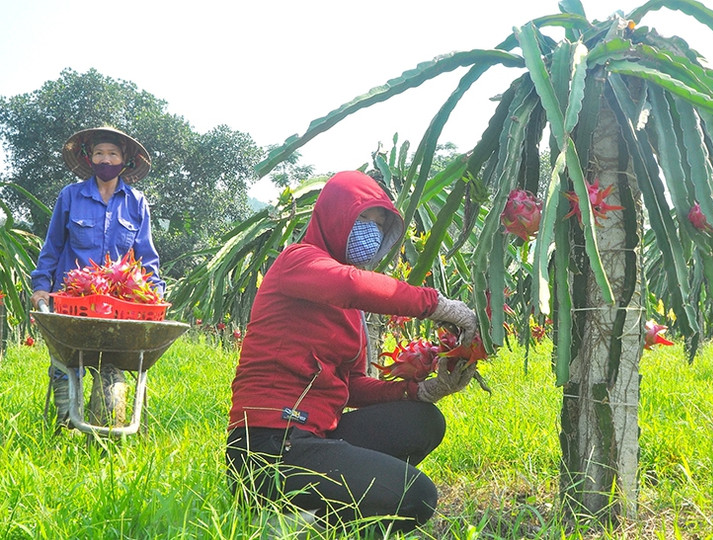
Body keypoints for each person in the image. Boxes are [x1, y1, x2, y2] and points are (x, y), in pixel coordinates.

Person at [226, 170, 480, 534]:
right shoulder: (297, 262)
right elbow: (350, 284)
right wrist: (438, 305)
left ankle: (329, 522)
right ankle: (299, 517)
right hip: (266, 446)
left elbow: (354, 386)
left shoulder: (350, 312)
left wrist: (422, 391)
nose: (369, 232)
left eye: (378, 224)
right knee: (417, 496)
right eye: (363, 219)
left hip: (316, 437)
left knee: (424, 421)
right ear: (334, 216)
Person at [30, 126, 164, 429]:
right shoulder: (70, 196)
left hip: (119, 304)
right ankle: (66, 419)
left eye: (112, 154)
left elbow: (146, 255)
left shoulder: (136, 203)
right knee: (66, 364)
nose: (106, 159)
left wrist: (155, 292)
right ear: (89, 158)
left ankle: (113, 420)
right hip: (72, 299)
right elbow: (52, 246)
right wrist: (41, 287)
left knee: (113, 359)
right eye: (99, 153)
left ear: (125, 160)